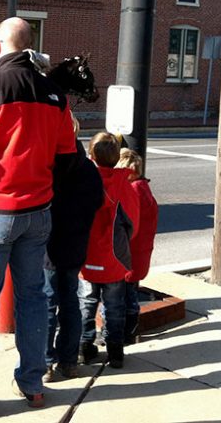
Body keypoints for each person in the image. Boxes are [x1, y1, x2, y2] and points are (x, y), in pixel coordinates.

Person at [0, 17, 77, 420]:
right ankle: (33, 384)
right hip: (37, 212)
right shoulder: (56, 96)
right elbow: (67, 158)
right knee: (34, 298)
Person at [44, 113, 104, 381]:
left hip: (48, 243)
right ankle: (68, 361)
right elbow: (97, 202)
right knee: (70, 301)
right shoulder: (88, 168)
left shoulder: (47, 164)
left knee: (46, 303)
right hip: (76, 243)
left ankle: (44, 362)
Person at [78, 132, 140, 369]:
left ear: (91, 155)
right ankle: (115, 351)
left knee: (86, 303)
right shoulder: (125, 186)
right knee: (114, 306)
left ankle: (84, 347)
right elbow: (133, 223)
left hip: (85, 254)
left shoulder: (83, 181)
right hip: (114, 256)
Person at [116, 148, 159, 345]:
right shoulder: (144, 189)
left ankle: (123, 334)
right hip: (140, 254)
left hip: (128, 256)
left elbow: (127, 227)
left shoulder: (132, 192)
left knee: (120, 299)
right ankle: (131, 333)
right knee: (131, 296)